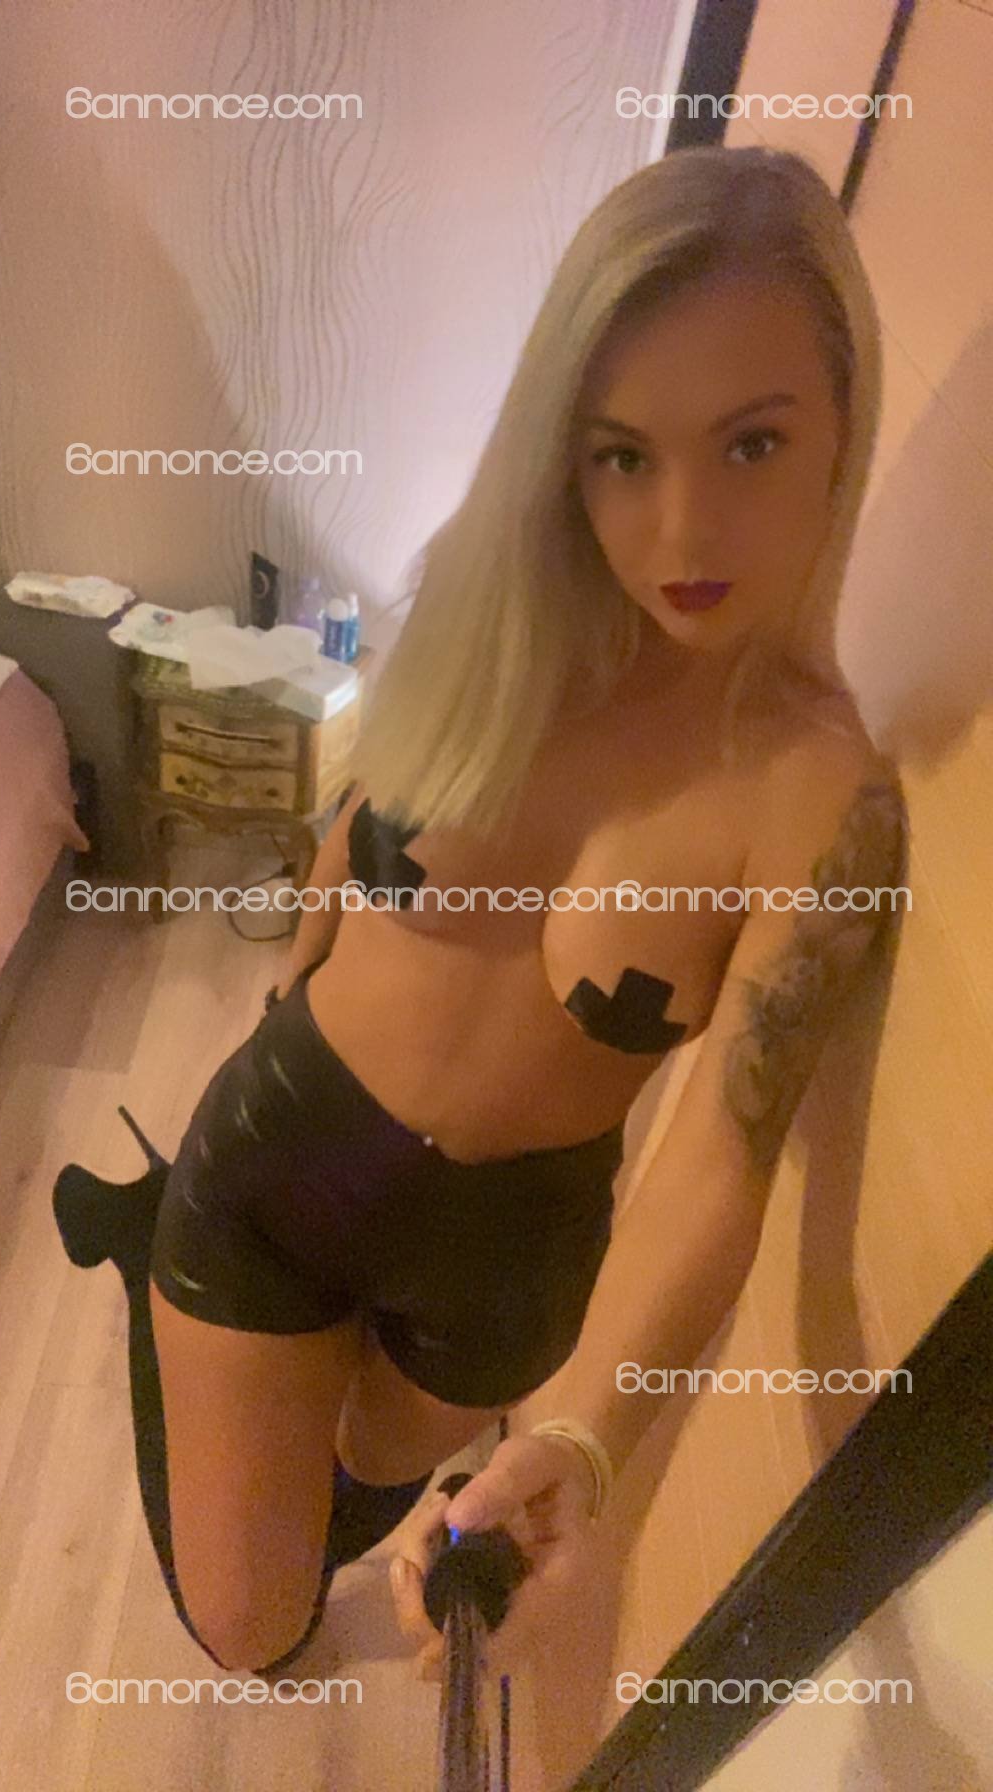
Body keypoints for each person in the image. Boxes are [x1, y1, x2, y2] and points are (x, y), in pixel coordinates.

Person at [54, 143, 908, 1679]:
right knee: (251, 1629)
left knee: (356, 1483)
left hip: (509, 1263)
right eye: (624, 456)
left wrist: (581, 1439)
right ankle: (152, 1244)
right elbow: (358, 819)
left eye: (752, 444)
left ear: (843, 431)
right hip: (289, 1138)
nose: (684, 535)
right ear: (565, 451)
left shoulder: (821, 795)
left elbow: (722, 1156)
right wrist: (284, 993)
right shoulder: (496, 611)